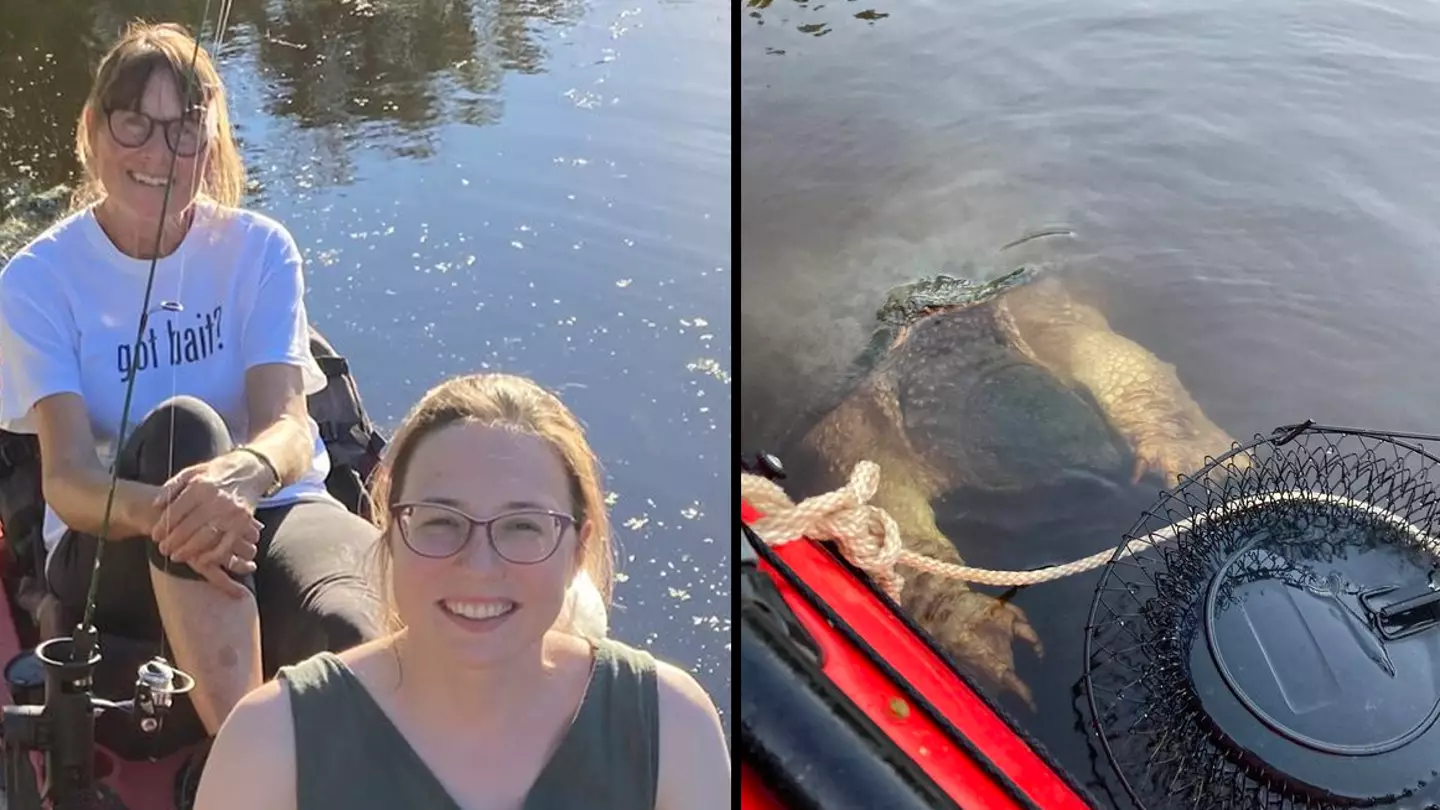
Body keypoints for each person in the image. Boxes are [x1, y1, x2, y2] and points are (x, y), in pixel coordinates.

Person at [0, 19, 382, 772]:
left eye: (183, 129)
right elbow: (69, 482)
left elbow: (288, 425)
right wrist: (183, 505)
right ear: (92, 128)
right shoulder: (37, 280)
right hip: (111, 543)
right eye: (135, 123)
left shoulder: (261, 247)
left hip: (269, 512)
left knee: (351, 625)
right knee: (183, 428)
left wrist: (238, 479)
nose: (158, 153)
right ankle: (250, 765)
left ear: (211, 141)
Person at [193, 373, 732, 809]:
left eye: (523, 526)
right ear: (390, 533)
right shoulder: (269, 744)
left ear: (576, 548)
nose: (478, 565)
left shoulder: (670, 728)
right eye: (440, 521)